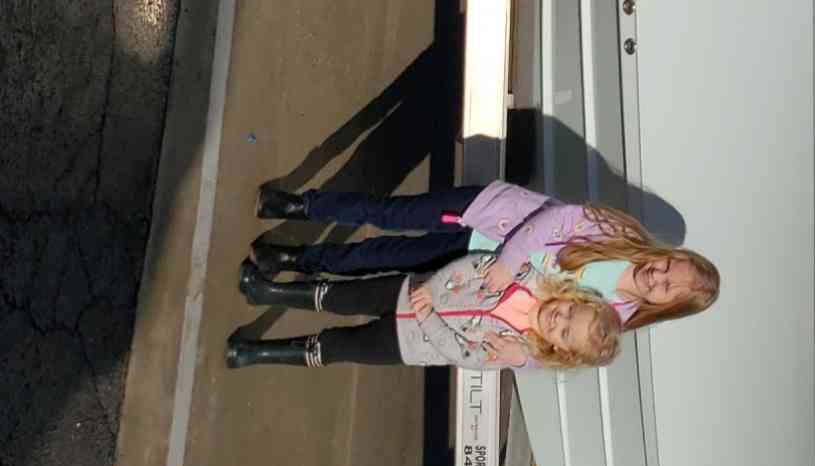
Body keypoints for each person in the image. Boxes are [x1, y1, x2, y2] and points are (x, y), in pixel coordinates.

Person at [249, 179, 720, 331]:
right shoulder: (623, 233)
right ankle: (302, 204)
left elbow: (549, 324)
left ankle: (295, 259)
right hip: (487, 217)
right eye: (666, 265)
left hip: (472, 269)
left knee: (380, 257)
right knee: (390, 213)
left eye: (665, 286)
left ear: (665, 306)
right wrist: (511, 263)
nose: (655, 274)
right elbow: (560, 218)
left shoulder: (612, 315)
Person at [226, 251, 621, 371]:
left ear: (563, 350)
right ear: (574, 298)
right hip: (405, 292)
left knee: (333, 346)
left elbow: (462, 354)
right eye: (572, 313)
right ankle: (266, 290)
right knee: (333, 295)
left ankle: (255, 353)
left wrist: (428, 317)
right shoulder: (525, 276)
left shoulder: (515, 350)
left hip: (407, 344)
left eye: (567, 332)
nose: (561, 321)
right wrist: (430, 292)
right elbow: (475, 264)